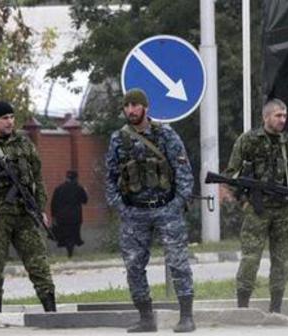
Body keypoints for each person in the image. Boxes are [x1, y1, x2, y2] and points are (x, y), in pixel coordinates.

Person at [105, 89, 195, 333]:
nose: (131, 110)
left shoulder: (165, 134)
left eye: (135, 105)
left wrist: (176, 204)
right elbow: (111, 178)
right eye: (127, 106)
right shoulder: (118, 139)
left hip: (166, 208)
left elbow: (184, 172)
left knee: (178, 263)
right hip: (134, 212)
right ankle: (146, 318)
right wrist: (120, 207)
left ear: (145, 107)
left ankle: (186, 316)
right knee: (133, 266)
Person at [0, 101, 56, 313]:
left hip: (25, 213)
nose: (10, 122)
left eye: (11, 117)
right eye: (4, 118)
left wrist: (40, 208)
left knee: (38, 261)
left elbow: (38, 177)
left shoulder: (25, 144)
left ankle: (50, 308)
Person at [224, 98, 288, 313]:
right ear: (266, 117)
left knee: (282, 261)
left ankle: (276, 307)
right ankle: (242, 306)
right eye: (278, 115)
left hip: (284, 210)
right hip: (257, 210)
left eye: (285, 116)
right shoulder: (249, 140)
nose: (282, 120)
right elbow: (231, 174)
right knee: (251, 258)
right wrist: (244, 199)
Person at [50, 170, 88, 258]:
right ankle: (70, 251)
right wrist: (85, 192)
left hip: (62, 217)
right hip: (75, 217)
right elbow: (85, 200)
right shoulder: (79, 188)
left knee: (65, 235)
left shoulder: (59, 188)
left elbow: (53, 203)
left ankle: (68, 250)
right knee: (73, 235)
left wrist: (54, 216)